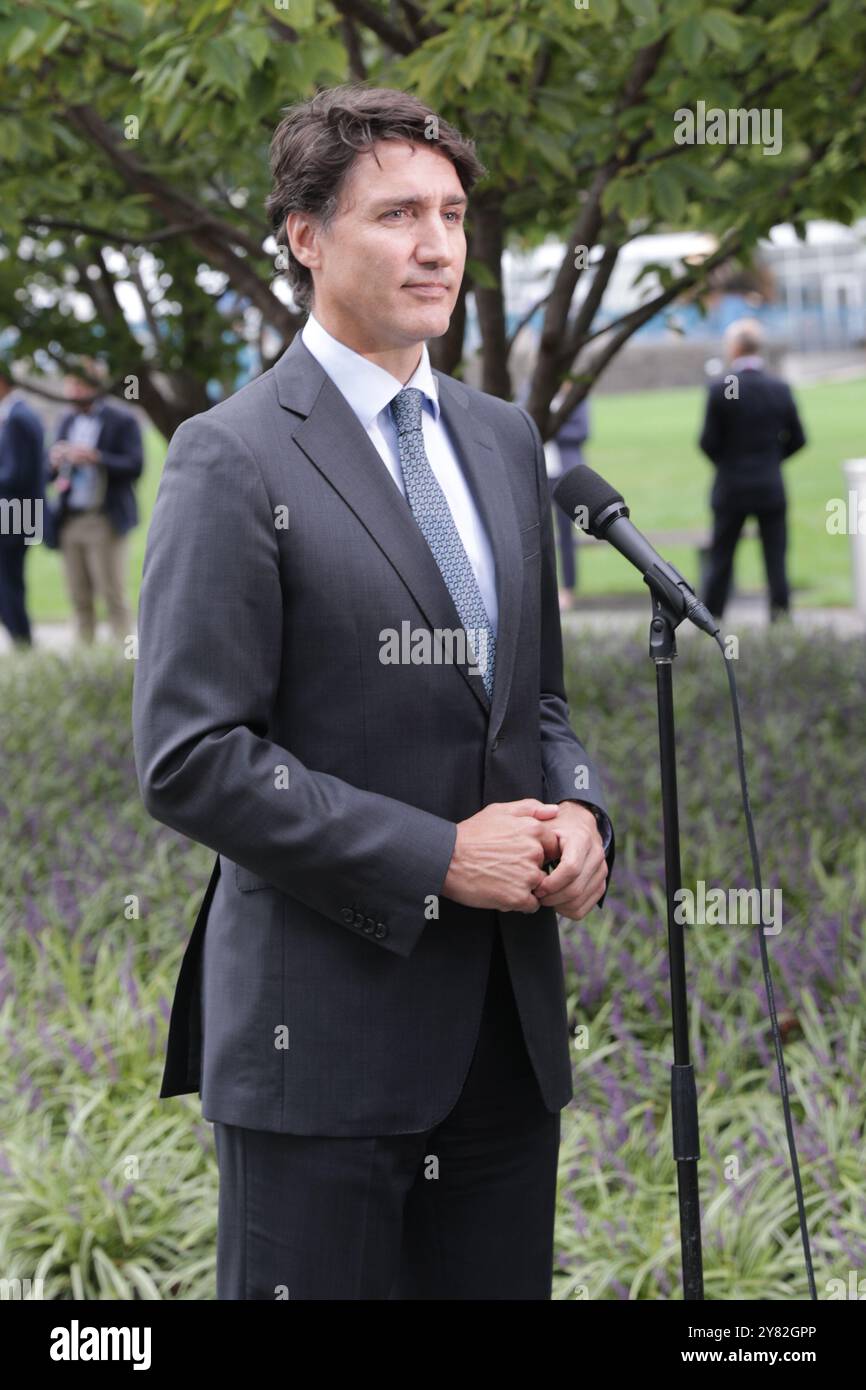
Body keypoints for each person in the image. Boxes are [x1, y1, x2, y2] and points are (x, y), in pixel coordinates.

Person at [132, 84, 616, 1302]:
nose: (437, 244)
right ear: (304, 235)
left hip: (506, 1045)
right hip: (324, 1051)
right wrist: (437, 855)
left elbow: (536, 703)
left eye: (451, 212)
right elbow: (192, 757)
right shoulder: (230, 455)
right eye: (397, 212)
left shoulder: (504, 436)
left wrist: (582, 812)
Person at [699, 318, 806, 621]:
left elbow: (707, 442)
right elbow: (798, 438)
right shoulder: (780, 388)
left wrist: (730, 464)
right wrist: (771, 460)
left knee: (721, 559)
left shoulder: (720, 389)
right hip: (770, 486)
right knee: (776, 559)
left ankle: (712, 622)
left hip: (731, 486)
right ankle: (781, 623)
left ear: (734, 348)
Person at [47, 361, 143, 645]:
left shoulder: (121, 419)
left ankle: (124, 662)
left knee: (112, 594)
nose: (73, 392)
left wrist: (95, 457)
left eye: (80, 386)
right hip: (70, 518)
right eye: (70, 385)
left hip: (104, 518)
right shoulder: (66, 420)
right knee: (78, 596)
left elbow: (135, 466)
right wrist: (54, 461)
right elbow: (47, 473)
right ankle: (84, 664)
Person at [0, 365, 45, 648]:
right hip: (22, 515)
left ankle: (22, 640)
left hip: (14, 515)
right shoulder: (20, 414)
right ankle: (22, 640)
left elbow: (15, 474)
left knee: (8, 582)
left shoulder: (17, 418)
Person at [547, 394, 590, 611]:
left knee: (567, 536)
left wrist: (550, 428)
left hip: (566, 475)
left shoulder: (578, 398)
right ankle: (546, 589)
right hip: (542, 474)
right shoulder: (533, 391)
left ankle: (568, 588)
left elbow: (582, 431)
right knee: (540, 537)